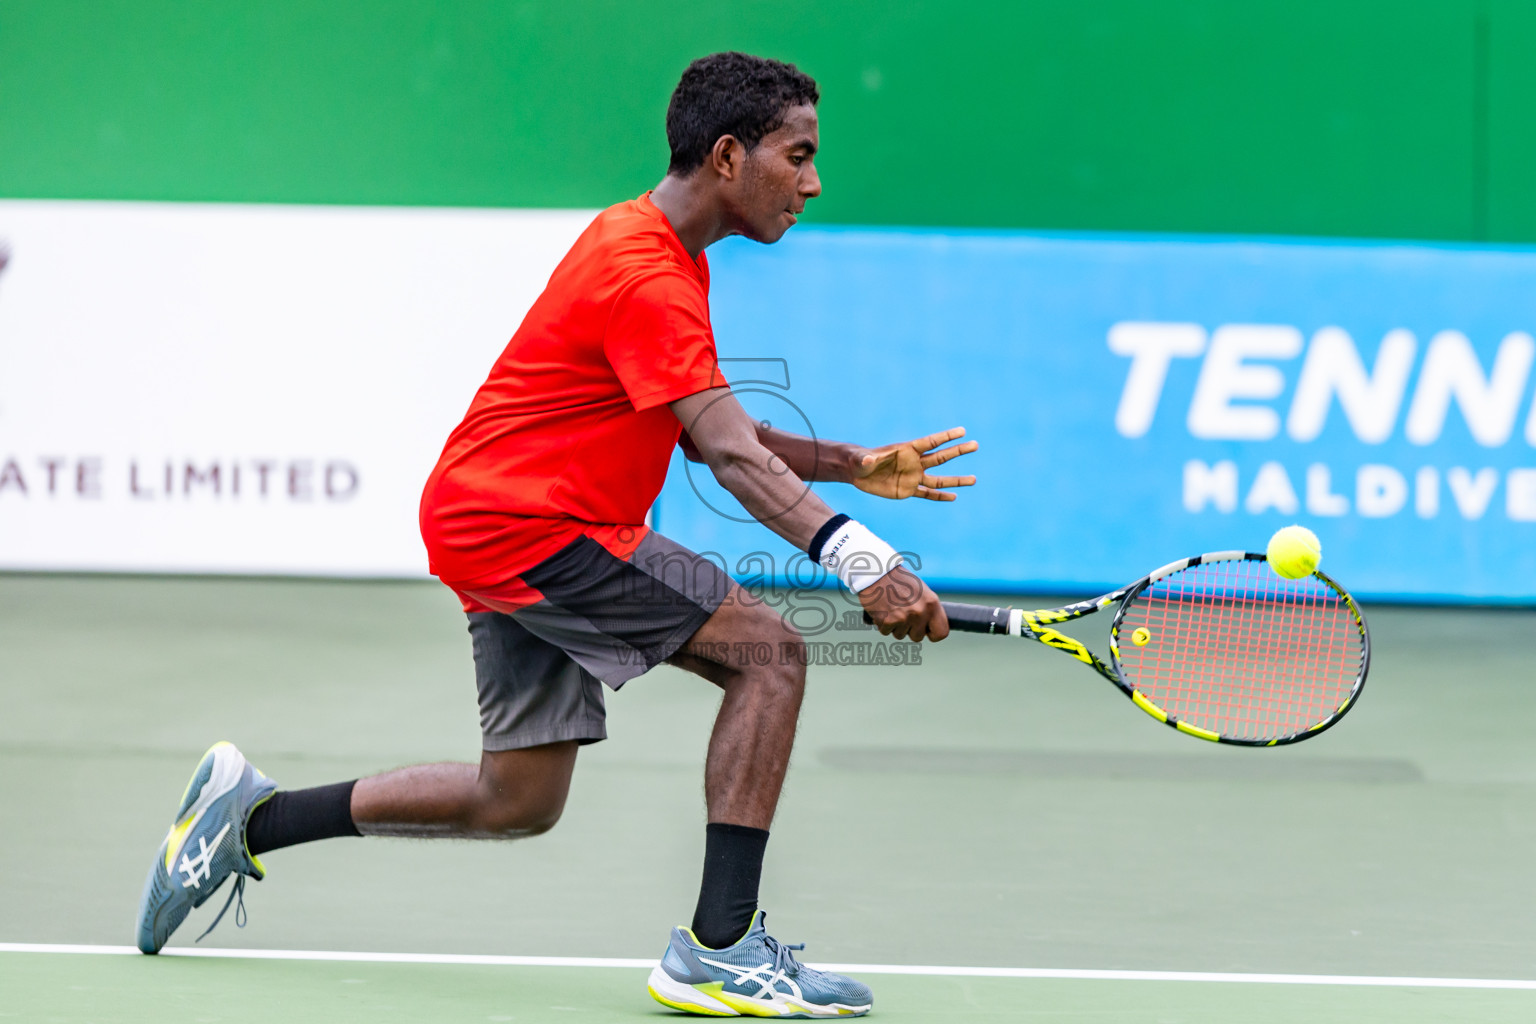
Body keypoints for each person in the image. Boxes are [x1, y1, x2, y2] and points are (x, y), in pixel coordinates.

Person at [135, 51, 978, 1019]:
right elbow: (733, 454)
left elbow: (714, 435)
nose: (814, 181)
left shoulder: (664, 248)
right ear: (729, 155)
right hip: (532, 523)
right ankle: (720, 946)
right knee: (771, 656)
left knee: (517, 799)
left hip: (490, 515)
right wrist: (865, 560)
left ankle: (251, 820)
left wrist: (849, 464)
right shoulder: (643, 271)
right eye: (800, 155)